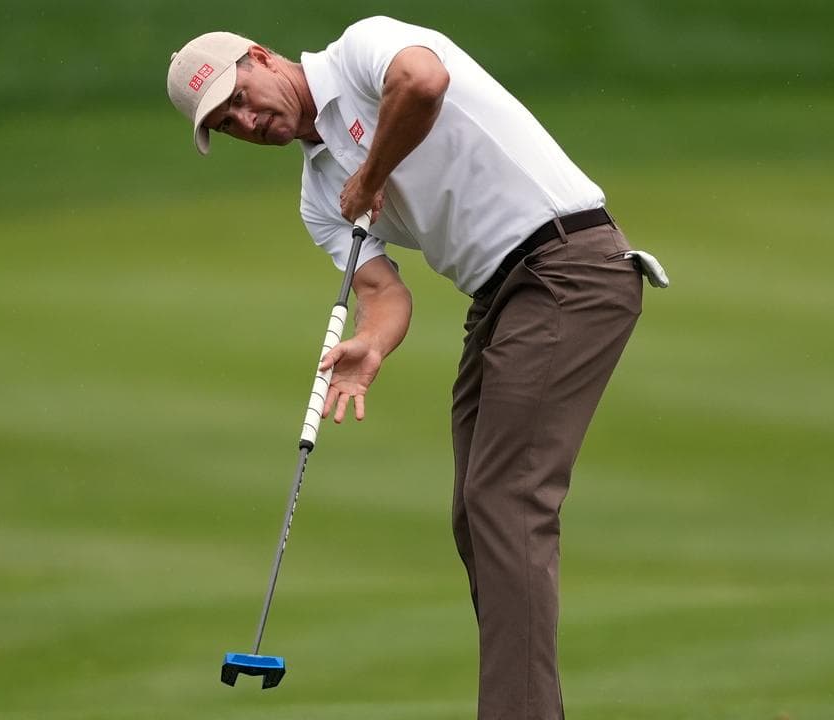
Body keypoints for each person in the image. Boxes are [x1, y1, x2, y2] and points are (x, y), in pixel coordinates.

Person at [167, 16, 660, 719]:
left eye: (242, 96)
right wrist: (371, 343)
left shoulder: (362, 49)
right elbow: (384, 294)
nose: (250, 120)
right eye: (230, 123)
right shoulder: (319, 197)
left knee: (506, 500)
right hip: (500, 297)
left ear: (262, 56)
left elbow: (423, 83)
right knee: (476, 513)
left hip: (570, 265)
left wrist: (371, 171)